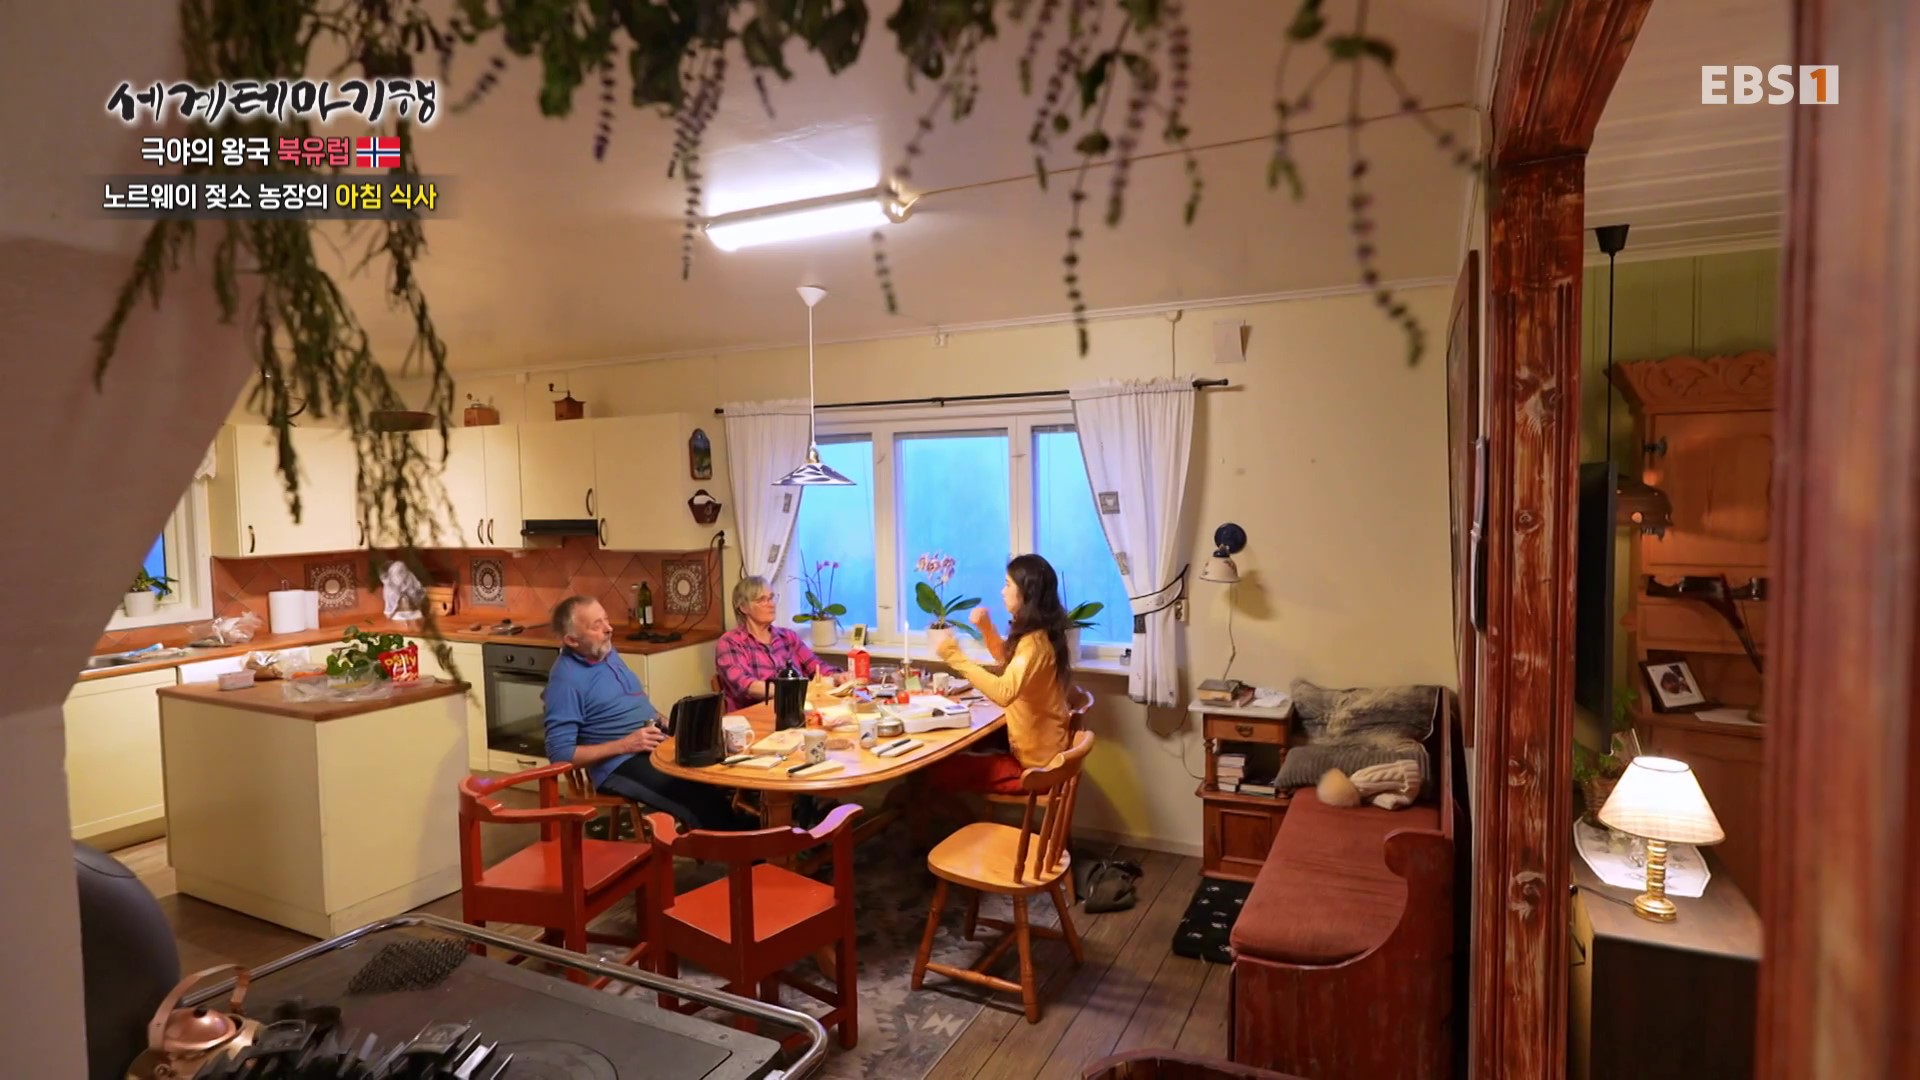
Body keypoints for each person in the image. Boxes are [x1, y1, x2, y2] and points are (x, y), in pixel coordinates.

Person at [543, 595, 750, 831]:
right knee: (695, 797)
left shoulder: (606, 653)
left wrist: (668, 722)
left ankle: (752, 832)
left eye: (606, 619)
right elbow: (560, 754)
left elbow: (634, 703)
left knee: (718, 771)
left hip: (649, 745)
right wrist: (626, 745)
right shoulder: (565, 681)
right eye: (596, 625)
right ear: (571, 640)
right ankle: (739, 845)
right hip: (618, 764)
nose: (608, 629)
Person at [927, 553, 1075, 794]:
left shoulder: (1034, 644)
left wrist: (954, 656)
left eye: (1007, 585)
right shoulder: (1040, 634)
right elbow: (1009, 661)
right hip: (1041, 754)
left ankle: (929, 815)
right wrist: (987, 628)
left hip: (1035, 770)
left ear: (1026, 593)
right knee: (954, 752)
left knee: (935, 770)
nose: (1002, 592)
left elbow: (1004, 692)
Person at [714, 575, 853, 713]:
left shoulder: (788, 637)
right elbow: (746, 686)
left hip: (795, 711)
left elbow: (817, 667)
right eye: (762, 600)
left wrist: (836, 677)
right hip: (752, 717)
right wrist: (794, 690)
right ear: (743, 607)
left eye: (771, 598)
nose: (771, 604)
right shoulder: (730, 642)